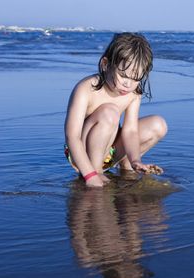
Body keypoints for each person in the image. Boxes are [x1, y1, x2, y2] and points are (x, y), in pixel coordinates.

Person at [64, 32, 168, 187]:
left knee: (158, 124)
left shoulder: (133, 92)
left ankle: (126, 166)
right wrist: (90, 175)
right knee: (110, 112)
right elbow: (72, 136)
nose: (128, 84)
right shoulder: (86, 88)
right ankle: (97, 171)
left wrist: (135, 160)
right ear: (106, 64)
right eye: (123, 76)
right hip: (82, 154)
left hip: (109, 152)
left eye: (136, 78)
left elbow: (130, 131)